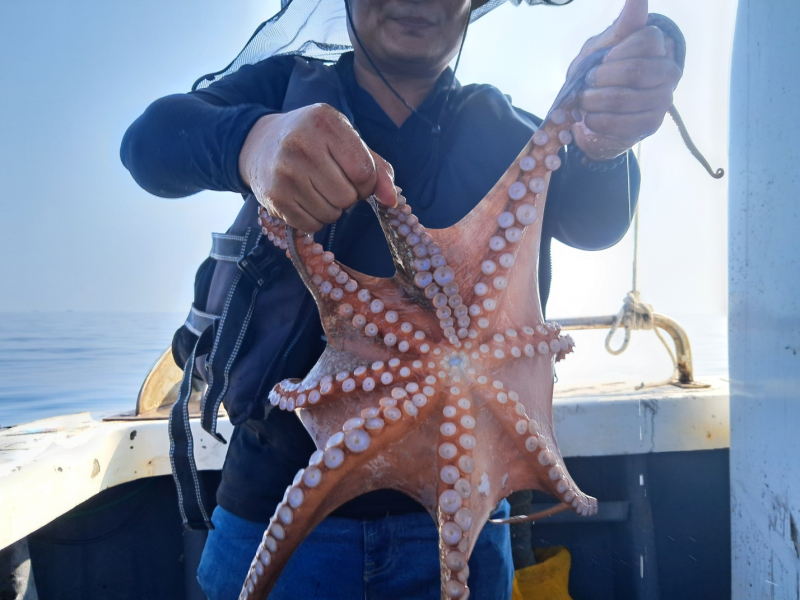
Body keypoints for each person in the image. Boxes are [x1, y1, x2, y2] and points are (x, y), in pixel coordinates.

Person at [121, 0, 682, 597]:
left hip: (460, 524)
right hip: (275, 508)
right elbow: (149, 144)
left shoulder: (504, 130)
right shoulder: (286, 88)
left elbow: (597, 220)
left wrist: (610, 128)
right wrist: (252, 141)